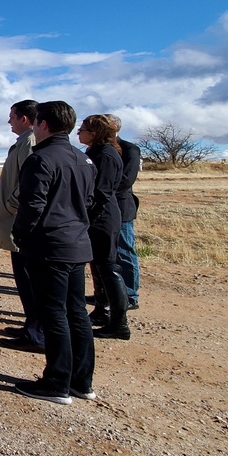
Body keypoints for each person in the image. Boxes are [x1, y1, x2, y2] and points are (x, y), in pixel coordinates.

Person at [12, 101, 96, 405]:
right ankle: (81, 381)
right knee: (76, 313)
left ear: (43, 125)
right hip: (77, 243)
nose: (35, 128)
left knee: (54, 313)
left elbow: (32, 204)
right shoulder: (83, 159)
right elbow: (90, 201)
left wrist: (21, 234)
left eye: (37, 123)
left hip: (50, 246)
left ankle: (57, 381)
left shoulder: (41, 159)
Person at [0, 100, 44, 353]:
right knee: (23, 278)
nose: (8, 121)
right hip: (17, 218)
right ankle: (30, 326)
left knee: (29, 277)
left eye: (11, 116)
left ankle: (36, 332)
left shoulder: (30, 142)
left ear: (24, 118)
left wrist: (13, 205)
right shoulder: (24, 141)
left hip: (21, 220)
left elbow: (30, 181)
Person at [78, 115, 131, 340]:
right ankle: (101, 310)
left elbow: (101, 191)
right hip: (96, 216)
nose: (78, 132)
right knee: (98, 266)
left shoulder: (106, 155)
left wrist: (89, 216)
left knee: (109, 268)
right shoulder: (95, 152)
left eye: (83, 129)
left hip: (103, 217)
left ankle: (119, 323)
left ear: (95, 132)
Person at [108, 114, 141, 310]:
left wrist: (101, 192)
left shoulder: (130, 149)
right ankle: (108, 294)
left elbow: (126, 180)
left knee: (125, 250)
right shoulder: (96, 150)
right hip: (104, 208)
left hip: (121, 207)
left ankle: (130, 294)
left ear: (114, 127)